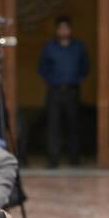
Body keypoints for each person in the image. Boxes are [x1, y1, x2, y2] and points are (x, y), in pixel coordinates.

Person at [38, 16, 90, 168]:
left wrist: (77, 79)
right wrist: (51, 80)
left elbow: (85, 66)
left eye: (66, 28)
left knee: (74, 125)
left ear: (70, 29)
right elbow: (42, 67)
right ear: (56, 30)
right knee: (53, 125)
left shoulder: (78, 47)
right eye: (61, 28)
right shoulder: (49, 47)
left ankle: (75, 158)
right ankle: (53, 159)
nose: (63, 31)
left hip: (73, 90)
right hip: (54, 91)